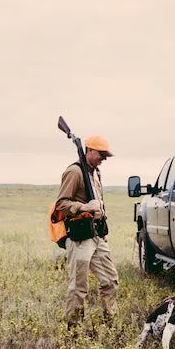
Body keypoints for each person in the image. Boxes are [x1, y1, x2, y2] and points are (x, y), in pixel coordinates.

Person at [53, 134, 119, 327]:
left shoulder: (94, 172)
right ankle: (73, 331)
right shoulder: (75, 172)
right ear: (89, 151)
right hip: (81, 238)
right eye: (101, 154)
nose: (104, 159)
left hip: (97, 236)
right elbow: (61, 204)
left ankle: (111, 325)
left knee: (110, 281)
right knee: (78, 288)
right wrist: (84, 207)